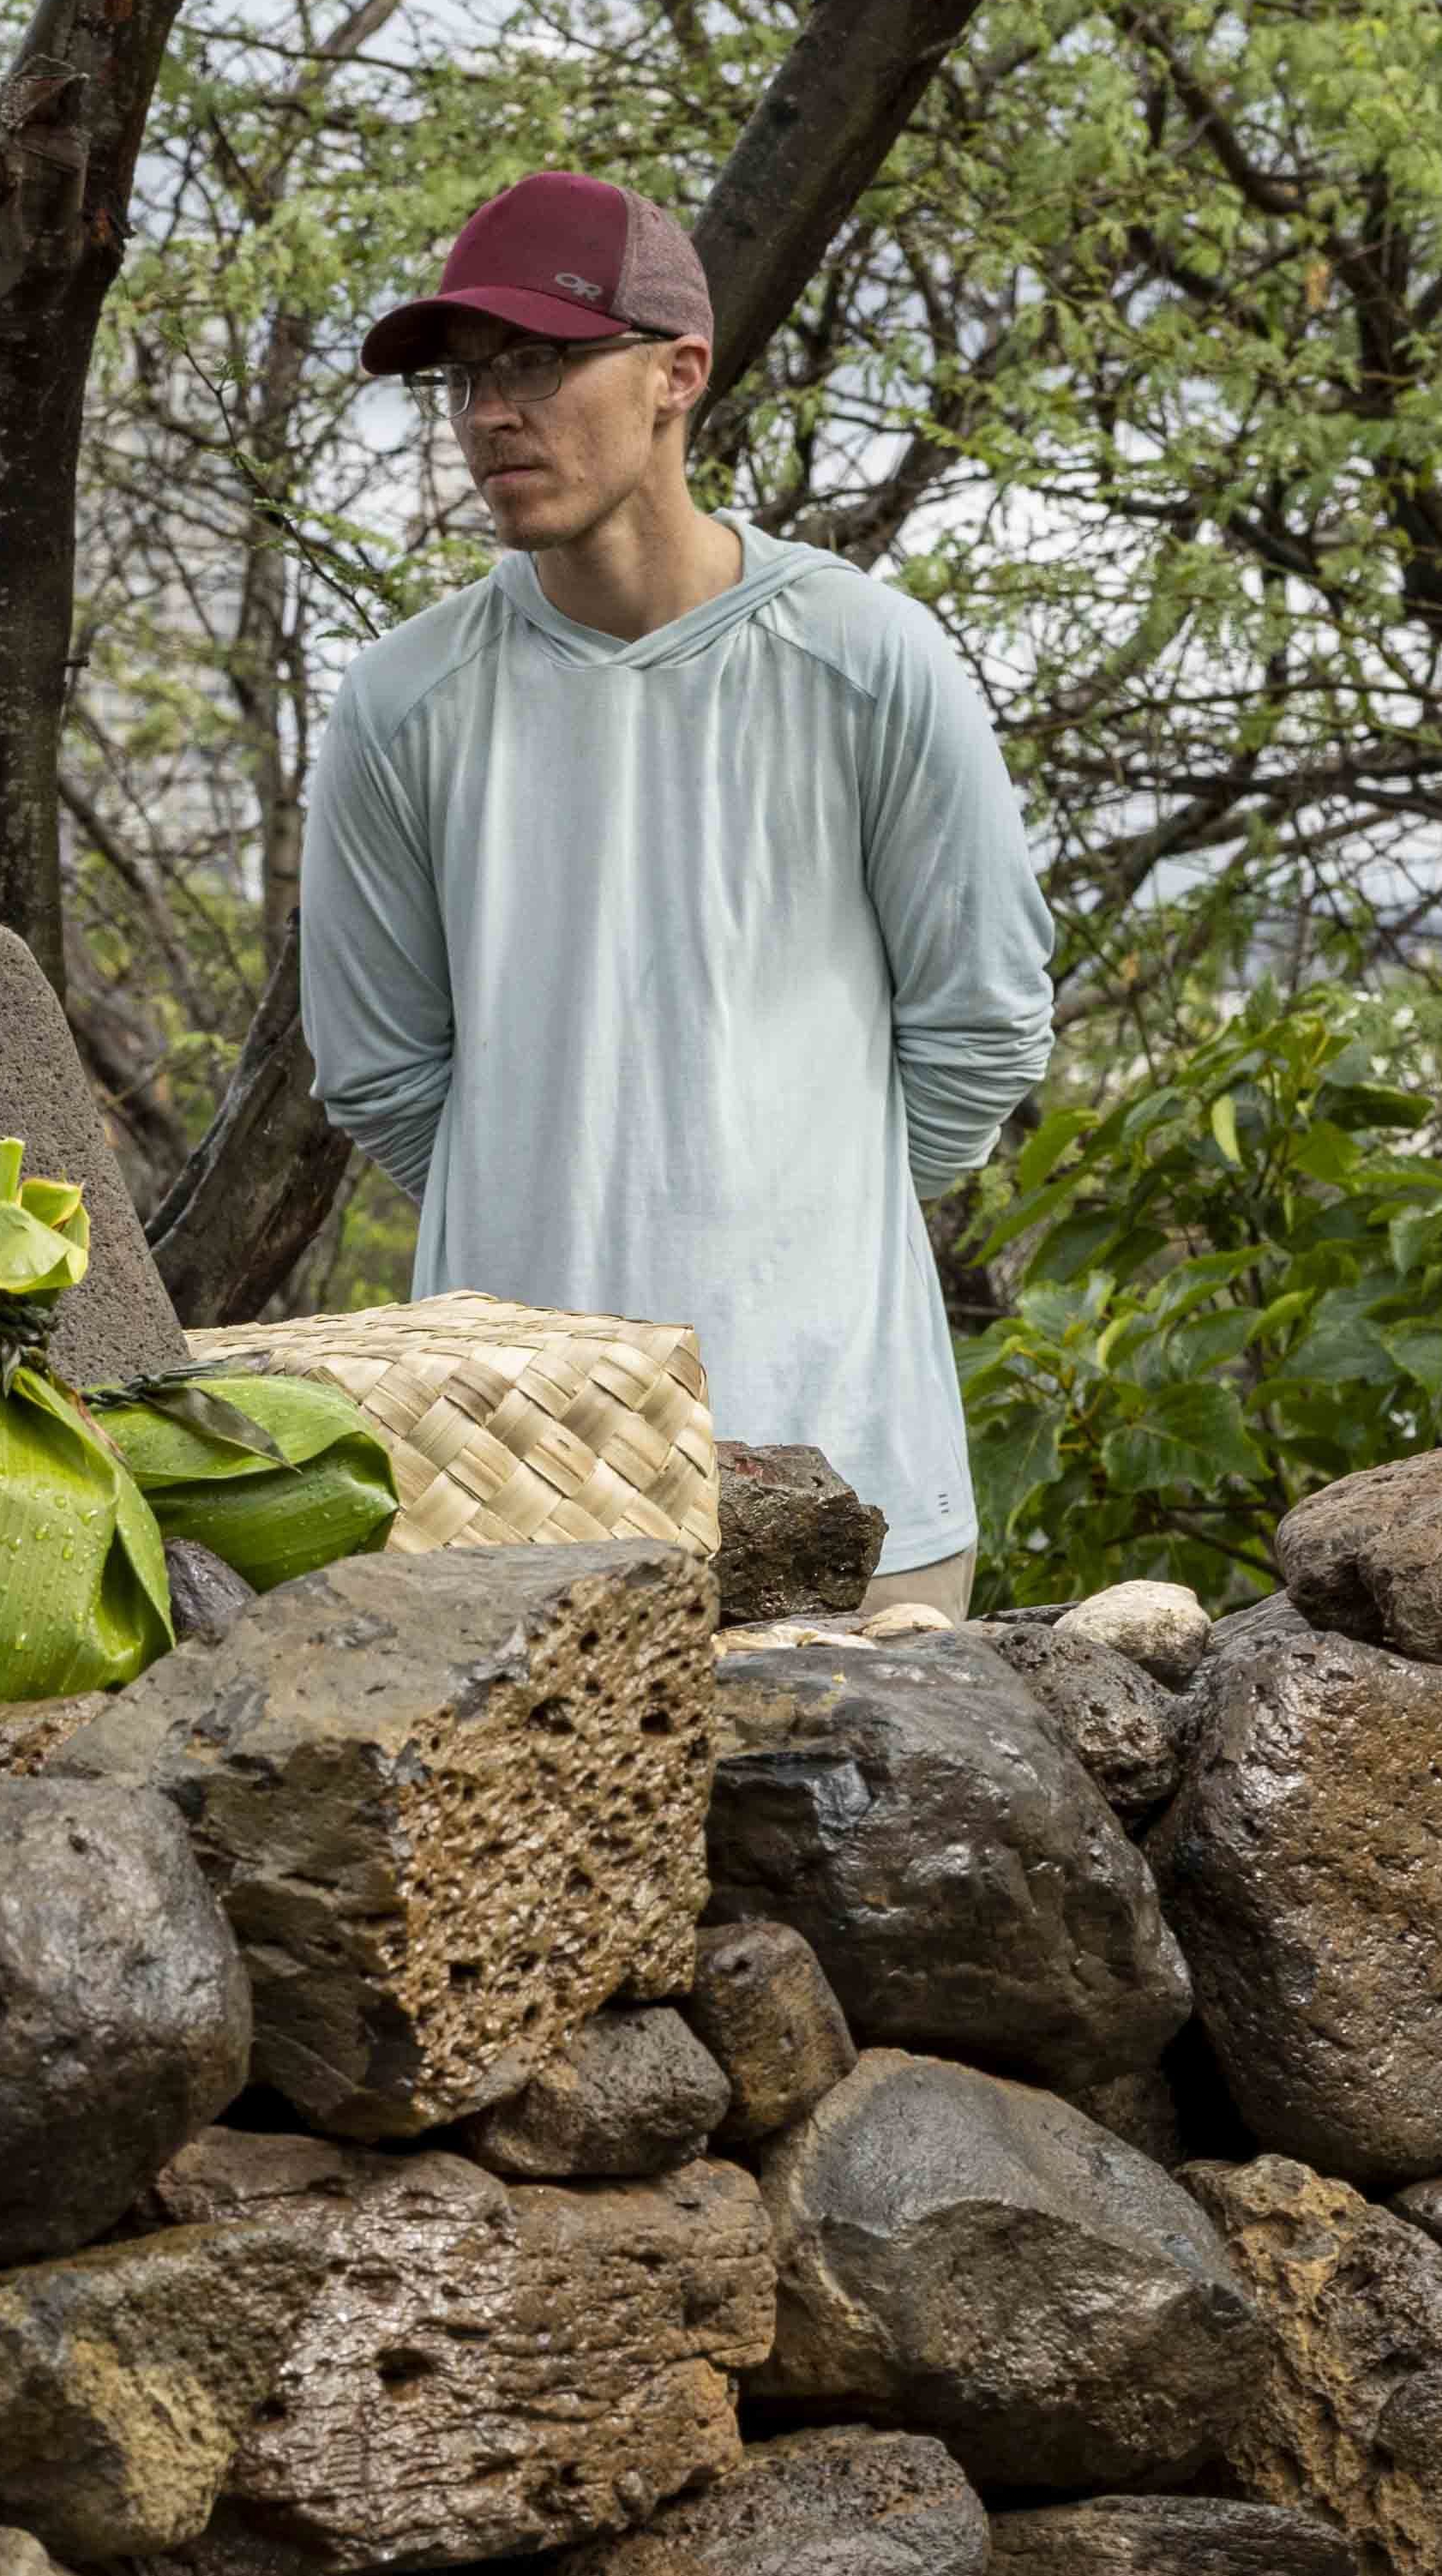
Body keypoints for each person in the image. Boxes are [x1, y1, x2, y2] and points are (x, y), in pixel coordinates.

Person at [300, 170, 1055, 1610]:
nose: (487, 414)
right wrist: (553, 1202)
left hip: (854, 1471)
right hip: (505, 1486)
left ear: (675, 372)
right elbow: (381, 1074)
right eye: (465, 379)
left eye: (535, 361)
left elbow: (982, 1024)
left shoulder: (863, 659)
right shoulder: (405, 703)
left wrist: (797, 1227)